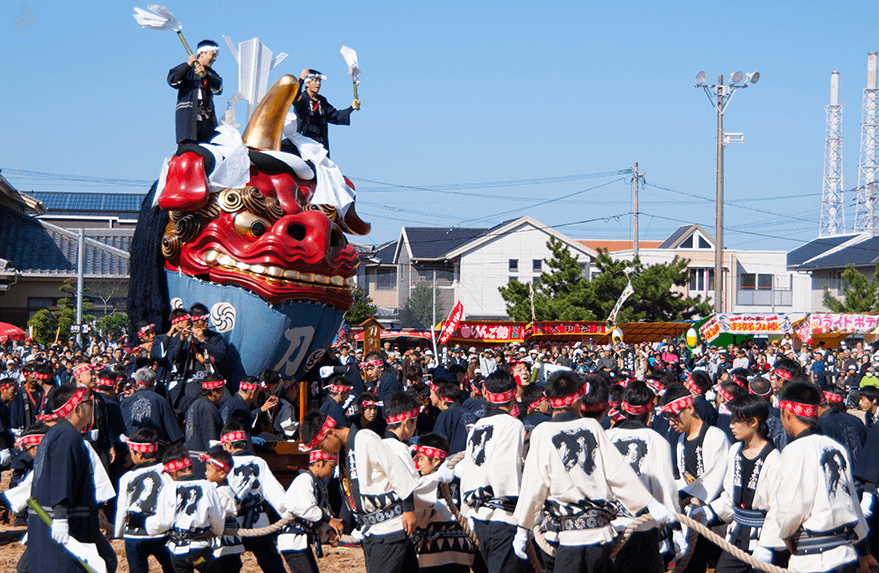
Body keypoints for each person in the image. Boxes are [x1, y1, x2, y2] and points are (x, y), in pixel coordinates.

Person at [514, 371, 675, 573]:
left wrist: (523, 527)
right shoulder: (592, 426)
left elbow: (534, 484)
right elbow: (617, 471)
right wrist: (650, 503)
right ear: (577, 400)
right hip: (601, 536)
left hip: (569, 537)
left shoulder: (542, 432)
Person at [759, 382, 877, 573]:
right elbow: (852, 501)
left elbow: (791, 506)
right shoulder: (834, 447)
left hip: (814, 558)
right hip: (845, 553)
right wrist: (863, 550)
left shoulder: (795, 450)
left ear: (786, 414)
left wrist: (784, 535)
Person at [298, 411, 419, 573]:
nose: (324, 451)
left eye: (321, 445)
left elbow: (397, 472)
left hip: (390, 526)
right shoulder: (344, 450)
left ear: (331, 433)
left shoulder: (365, 438)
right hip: (372, 530)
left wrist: (409, 509)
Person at [691, 395, 781, 573]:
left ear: (754, 422)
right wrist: (709, 512)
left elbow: (777, 507)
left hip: (763, 536)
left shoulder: (774, 459)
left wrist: (768, 545)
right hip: (737, 533)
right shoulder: (735, 451)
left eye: (736, 421)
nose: (731, 425)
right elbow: (730, 496)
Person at [606, 381, 680, 573]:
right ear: (651, 408)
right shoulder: (657, 441)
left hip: (610, 527)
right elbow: (664, 485)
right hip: (643, 528)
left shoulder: (607, 437)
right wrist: (674, 522)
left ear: (623, 406)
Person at [27, 383, 101, 573]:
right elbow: (62, 476)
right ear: (77, 408)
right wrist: (60, 516)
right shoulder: (67, 437)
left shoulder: (56, 433)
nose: (92, 406)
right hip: (61, 526)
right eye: (88, 403)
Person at [660, 384, 730, 572]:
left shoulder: (716, 437)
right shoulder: (682, 441)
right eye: (668, 418)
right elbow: (685, 478)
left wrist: (681, 495)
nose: (671, 422)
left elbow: (713, 480)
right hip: (692, 519)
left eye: (674, 416)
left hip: (715, 519)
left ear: (689, 408)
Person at [146, 444, 226, 573]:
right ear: (192, 466)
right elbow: (218, 517)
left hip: (178, 555)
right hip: (199, 555)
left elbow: (162, 522)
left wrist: (146, 525)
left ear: (172, 472)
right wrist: (217, 531)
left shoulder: (168, 489)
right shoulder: (207, 486)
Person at [220, 422, 288, 573]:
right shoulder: (258, 462)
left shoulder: (223, 465)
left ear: (228, 445)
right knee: (272, 564)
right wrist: (288, 515)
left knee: (229, 566)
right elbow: (274, 492)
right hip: (259, 523)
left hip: (232, 524)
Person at [114, 427, 175, 573]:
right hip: (160, 530)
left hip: (133, 535)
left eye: (131, 453)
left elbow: (122, 508)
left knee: (137, 570)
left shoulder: (126, 478)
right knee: (171, 568)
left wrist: (118, 532)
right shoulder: (166, 472)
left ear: (139, 454)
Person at [278, 450, 344, 573]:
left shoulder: (314, 482)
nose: (333, 471)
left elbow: (314, 512)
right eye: (331, 466)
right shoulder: (304, 479)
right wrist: (329, 520)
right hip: (292, 540)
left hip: (300, 542)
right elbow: (306, 508)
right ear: (319, 462)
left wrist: (327, 530)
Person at [292, 68, 359, 157]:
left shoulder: (322, 101)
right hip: (304, 143)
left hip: (320, 144)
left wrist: (351, 108)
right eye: (315, 81)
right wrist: (301, 79)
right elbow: (294, 96)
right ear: (307, 83)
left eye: (319, 81)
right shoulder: (303, 98)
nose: (318, 83)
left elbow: (334, 115)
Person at [168, 40, 223, 146]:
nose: (214, 59)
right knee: (188, 148)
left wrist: (206, 75)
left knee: (209, 149)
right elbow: (173, 81)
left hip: (207, 122)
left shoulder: (211, 73)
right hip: (189, 120)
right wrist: (187, 66)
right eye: (212, 55)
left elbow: (218, 88)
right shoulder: (186, 68)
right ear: (202, 53)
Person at [120, 366, 184, 444]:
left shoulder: (126, 401)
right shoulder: (160, 400)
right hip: (154, 446)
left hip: (132, 446)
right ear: (153, 383)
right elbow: (173, 431)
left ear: (137, 382)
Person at [183, 376, 224, 453]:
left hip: (190, 453)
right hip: (203, 456)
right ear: (213, 391)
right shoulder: (208, 408)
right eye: (221, 391)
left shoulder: (194, 405)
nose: (222, 394)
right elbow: (212, 440)